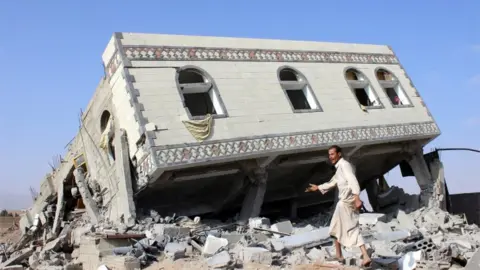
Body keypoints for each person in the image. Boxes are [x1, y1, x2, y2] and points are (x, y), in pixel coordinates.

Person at [305, 145, 372, 267]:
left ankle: (365, 255)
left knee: (352, 229)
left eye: (332, 154)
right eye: (329, 154)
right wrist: (318, 187)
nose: (330, 157)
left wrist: (357, 197)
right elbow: (332, 182)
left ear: (339, 154)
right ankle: (339, 255)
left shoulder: (345, 165)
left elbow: (352, 180)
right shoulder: (339, 168)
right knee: (335, 228)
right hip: (343, 204)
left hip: (347, 203)